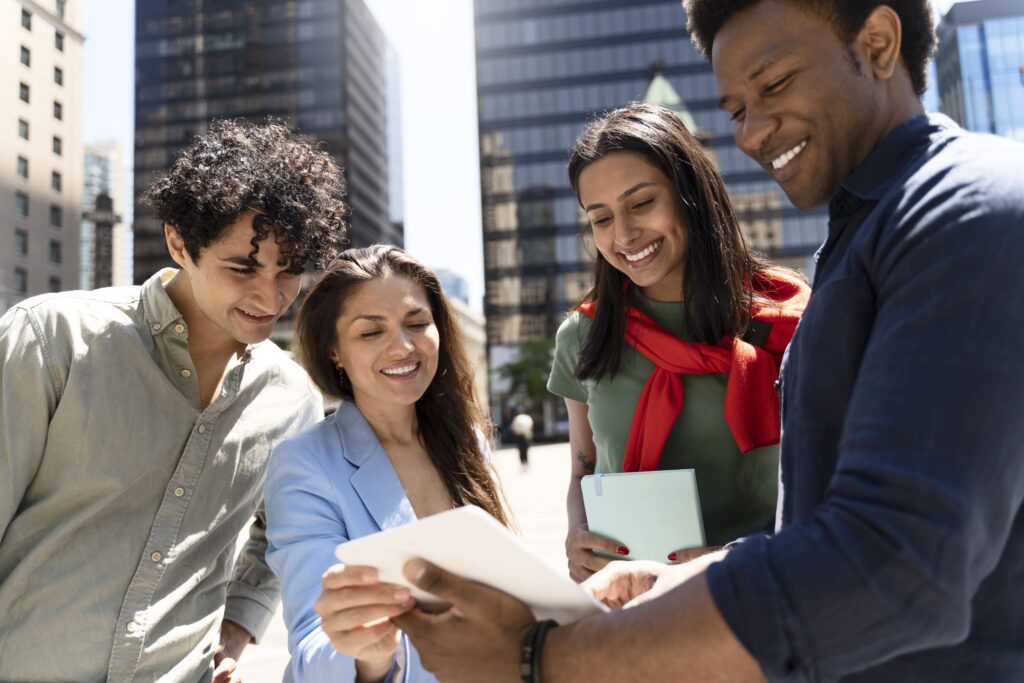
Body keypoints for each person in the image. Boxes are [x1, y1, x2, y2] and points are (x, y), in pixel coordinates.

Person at [389, 1, 1024, 681]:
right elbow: (822, 517)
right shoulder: (861, 236)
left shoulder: (964, 213)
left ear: (877, 43)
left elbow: (893, 563)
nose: (752, 132)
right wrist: (676, 581)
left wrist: (542, 657)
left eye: (774, 85)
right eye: (735, 108)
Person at [0, 119, 347, 682]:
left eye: (289, 273)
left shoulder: (292, 400)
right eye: (242, 267)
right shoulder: (51, 338)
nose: (270, 296)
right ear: (179, 243)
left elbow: (276, 536)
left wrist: (240, 626)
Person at [548, 103, 808, 582]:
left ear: (691, 195)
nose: (623, 235)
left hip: (769, 591)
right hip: (635, 607)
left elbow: (834, 473)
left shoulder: (789, 319)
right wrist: (577, 534)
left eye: (642, 203)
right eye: (600, 218)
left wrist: (731, 557)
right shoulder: (582, 336)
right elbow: (583, 472)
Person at [263, 245, 510, 682]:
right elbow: (311, 648)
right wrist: (367, 655)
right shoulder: (303, 466)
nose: (403, 347)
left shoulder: (468, 441)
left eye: (417, 323)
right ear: (335, 351)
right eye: (370, 332)